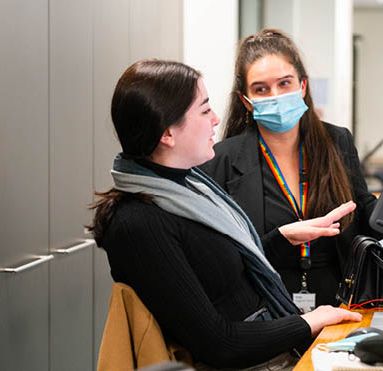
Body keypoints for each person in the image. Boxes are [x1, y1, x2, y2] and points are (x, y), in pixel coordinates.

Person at [89, 59, 361, 369]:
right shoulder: (139, 223)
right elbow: (221, 344)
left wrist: (282, 238)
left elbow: (221, 271)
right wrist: (309, 322)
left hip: (274, 347)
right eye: (205, 110)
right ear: (167, 133)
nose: (216, 119)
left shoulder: (187, 187)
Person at [200, 29, 383, 309]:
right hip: (263, 310)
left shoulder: (337, 141)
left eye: (284, 83)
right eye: (261, 89)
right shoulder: (221, 159)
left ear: (302, 86)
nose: (274, 95)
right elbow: (217, 259)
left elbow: (363, 221)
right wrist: (281, 240)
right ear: (245, 100)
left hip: (338, 306)